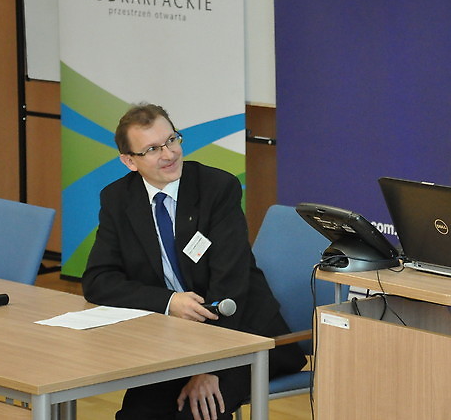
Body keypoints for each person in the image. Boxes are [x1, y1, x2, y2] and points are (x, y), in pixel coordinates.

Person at [83, 103, 306, 420]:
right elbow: (98, 281)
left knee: (198, 411)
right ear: (129, 161)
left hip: (245, 335)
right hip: (177, 341)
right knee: (137, 414)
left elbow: (231, 284)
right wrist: (169, 302)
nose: (169, 154)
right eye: (152, 149)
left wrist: (211, 366)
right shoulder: (118, 199)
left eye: (171, 140)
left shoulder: (217, 188)